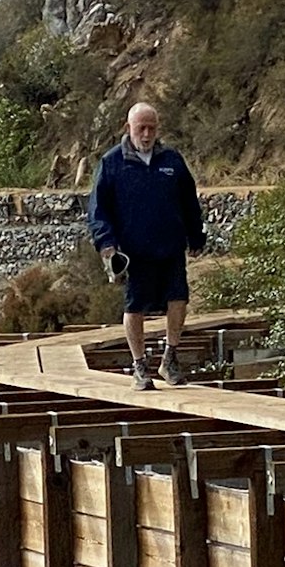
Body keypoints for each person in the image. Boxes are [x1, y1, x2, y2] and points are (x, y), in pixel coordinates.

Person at [87, 103, 206, 390]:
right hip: (134, 251)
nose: (147, 133)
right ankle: (139, 365)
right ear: (128, 127)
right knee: (135, 307)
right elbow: (98, 210)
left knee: (179, 300)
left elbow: (190, 202)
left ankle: (170, 358)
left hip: (170, 247)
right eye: (141, 127)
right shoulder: (112, 163)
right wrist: (107, 246)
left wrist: (196, 236)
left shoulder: (172, 160)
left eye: (152, 127)